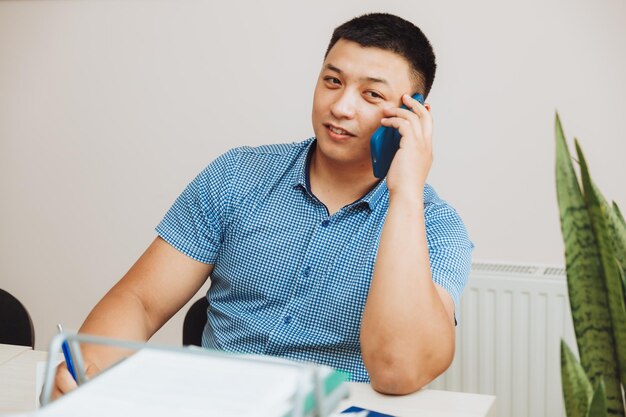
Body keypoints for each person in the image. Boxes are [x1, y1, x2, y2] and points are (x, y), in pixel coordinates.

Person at [53, 12, 472, 398]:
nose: (341, 107)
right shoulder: (237, 175)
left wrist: (406, 194)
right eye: (332, 81)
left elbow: (398, 371)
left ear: (413, 115)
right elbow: (141, 300)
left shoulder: (435, 227)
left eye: (371, 94)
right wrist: (88, 373)